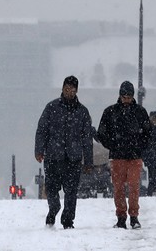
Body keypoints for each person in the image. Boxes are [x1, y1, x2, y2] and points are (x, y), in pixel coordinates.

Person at [35, 75, 94, 229]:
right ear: (62, 89)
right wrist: (39, 150)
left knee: (71, 193)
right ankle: (53, 209)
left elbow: (87, 139)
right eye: (67, 89)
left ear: (76, 91)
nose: (69, 92)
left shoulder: (82, 112)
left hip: (73, 159)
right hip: (53, 157)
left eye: (72, 90)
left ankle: (68, 221)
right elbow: (42, 130)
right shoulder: (51, 107)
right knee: (52, 189)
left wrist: (88, 161)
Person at [97, 81, 151, 229]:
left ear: (132, 96)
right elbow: (101, 133)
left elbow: (148, 133)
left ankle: (133, 217)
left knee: (133, 186)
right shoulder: (113, 112)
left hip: (131, 156)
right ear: (120, 96)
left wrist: (137, 146)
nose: (126, 99)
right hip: (119, 156)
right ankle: (122, 217)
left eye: (128, 96)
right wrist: (113, 145)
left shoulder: (135, 112)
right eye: (124, 96)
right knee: (119, 188)